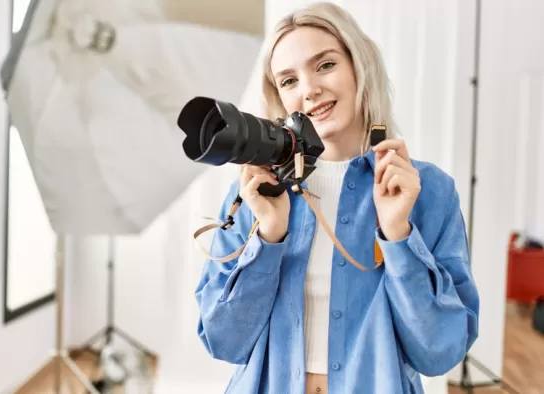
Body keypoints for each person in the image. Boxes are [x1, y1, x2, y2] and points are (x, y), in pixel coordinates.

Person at [194, 2, 480, 394]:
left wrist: (398, 235)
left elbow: (439, 352)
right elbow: (223, 340)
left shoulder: (425, 190)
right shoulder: (256, 192)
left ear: (359, 67)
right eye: (289, 80)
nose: (310, 90)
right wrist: (269, 238)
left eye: (325, 65)